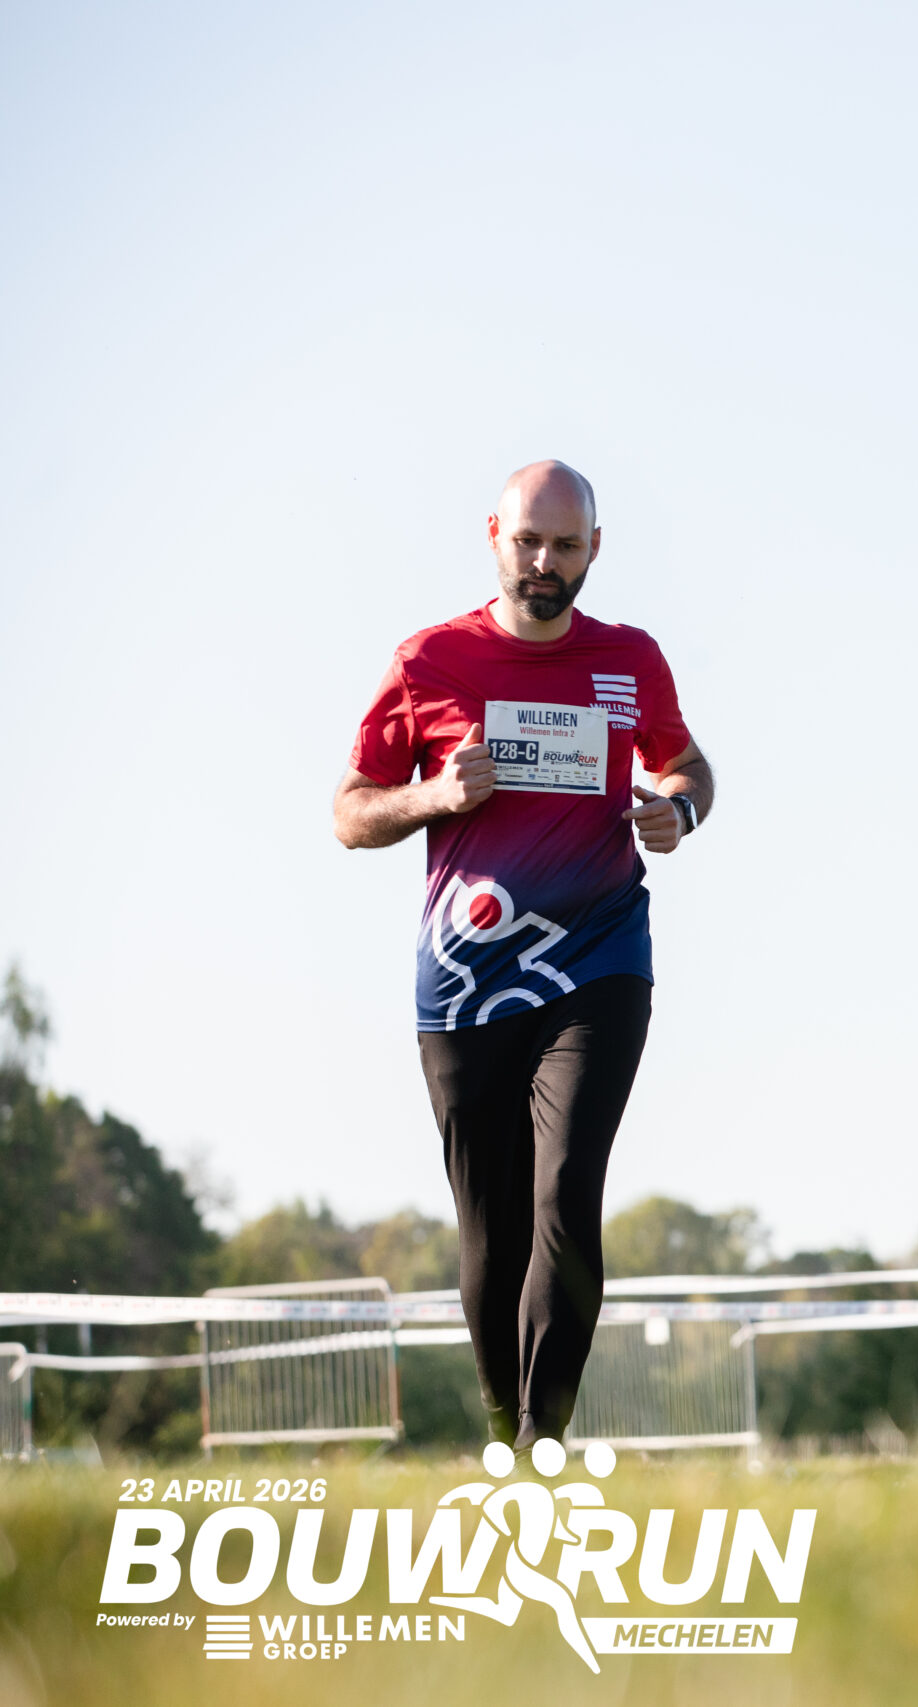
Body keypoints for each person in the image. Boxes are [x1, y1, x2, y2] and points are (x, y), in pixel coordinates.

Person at [332, 461, 713, 1447]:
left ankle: (545, 1444)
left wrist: (676, 811)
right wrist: (435, 796)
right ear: (495, 535)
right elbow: (350, 814)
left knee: (566, 1194)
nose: (545, 563)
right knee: (493, 1232)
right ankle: (507, 1433)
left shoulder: (630, 659)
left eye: (566, 546)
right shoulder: (428, 662)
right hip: (466, 981)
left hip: (600, 957)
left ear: (595, 549)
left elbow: (686, 765)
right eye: (529, 541)